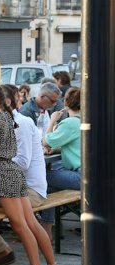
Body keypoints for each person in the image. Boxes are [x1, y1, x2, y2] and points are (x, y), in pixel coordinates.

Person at [0, 79, 60, 265]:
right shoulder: (7, 116)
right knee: (30, 224)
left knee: (21, 226)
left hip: (2, 176)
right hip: (14, 174)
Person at [40, 87, 81, 249]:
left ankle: (46, 230)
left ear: (65, 103)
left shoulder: (70, 123)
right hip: (89, 176)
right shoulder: (83, 121)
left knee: (43, 179)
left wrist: (52, 121)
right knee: (50, 186)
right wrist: (55, 146)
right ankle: (47, 230)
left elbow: (46, 141)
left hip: (80, 178)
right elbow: (68, 144)